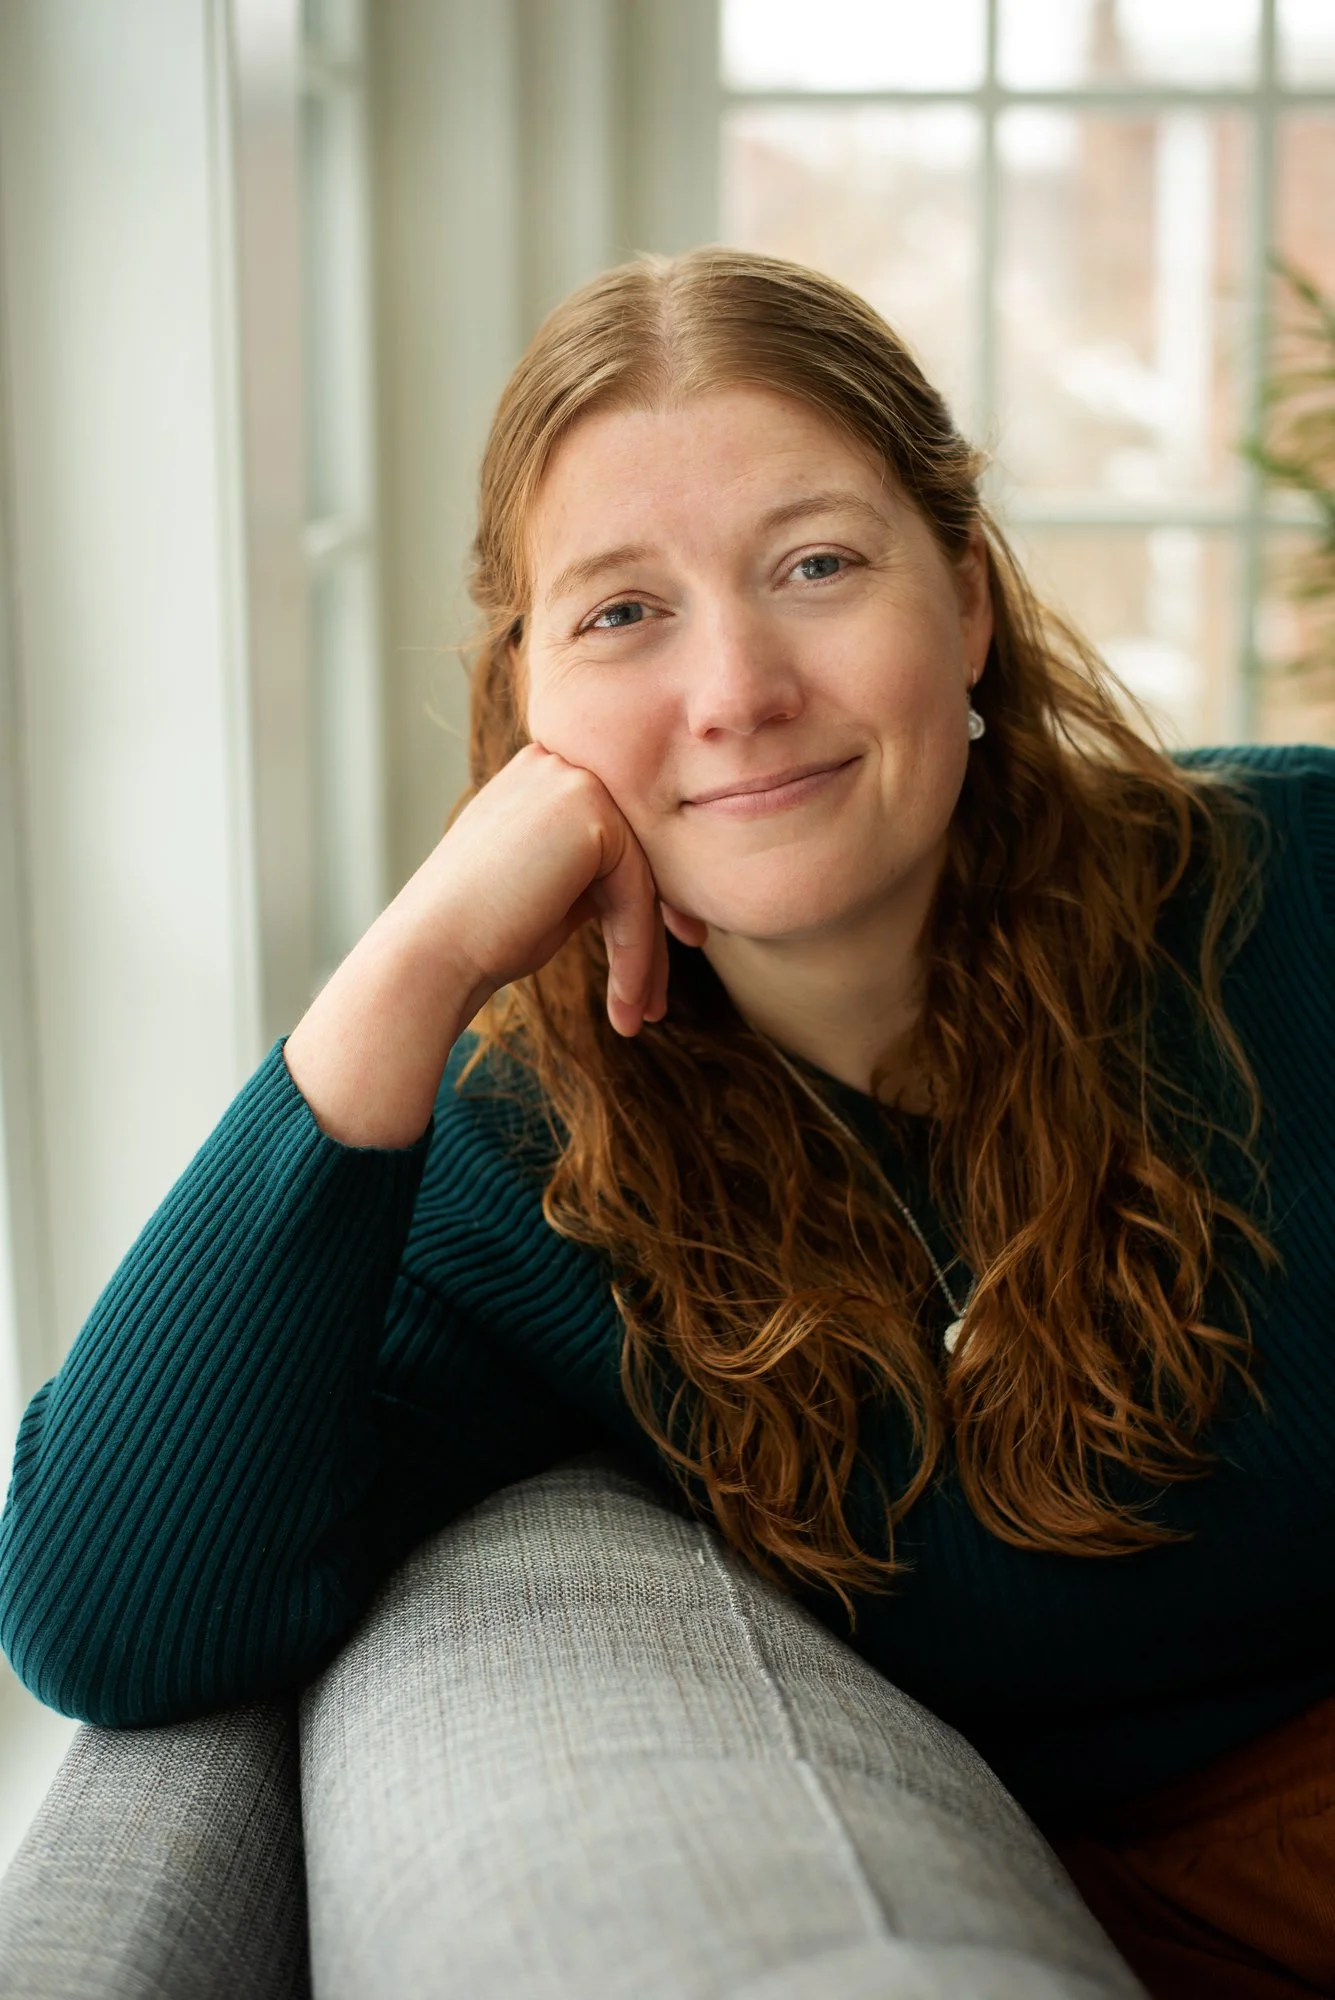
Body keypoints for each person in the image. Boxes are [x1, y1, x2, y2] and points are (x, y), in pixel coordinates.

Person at [1, 247, 1333, 1997]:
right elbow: (112, 1615)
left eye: (817, 565)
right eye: (622, 613)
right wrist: (415, 962)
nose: (736, 690)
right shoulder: (530, 1178)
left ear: (968, 602)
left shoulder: (1290, 886)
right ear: (529, 706)